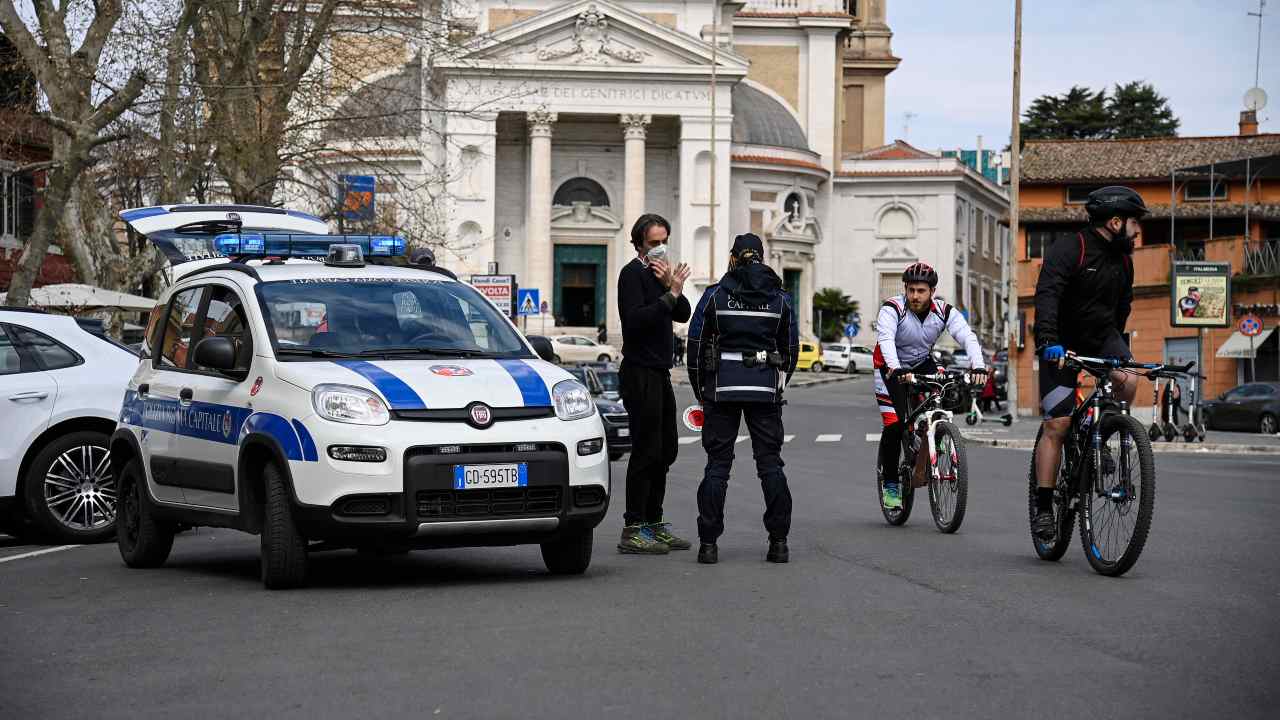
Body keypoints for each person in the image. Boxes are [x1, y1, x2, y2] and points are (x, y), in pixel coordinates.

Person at [1032, 185, 1146, 541]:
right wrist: (1049, 341)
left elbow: (1123, 307)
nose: (1138, 230)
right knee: (1059, 424)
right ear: (1115, 222)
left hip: (1101, 335)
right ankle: (1045, 506)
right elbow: (1047, 294)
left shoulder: (1124, 261)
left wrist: (1116, 349)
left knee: (1129, 378)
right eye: (1134, 222)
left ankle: (1106, 427)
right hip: (1060, 341)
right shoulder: (1070, 249)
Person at [687, 233, 798, 564]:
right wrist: (779, 384)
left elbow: (695, 346)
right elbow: (790, 350)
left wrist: (701, 391)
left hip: (721, 390)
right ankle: (778, 543)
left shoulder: (716, 295)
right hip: (764, 391)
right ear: (762, 258)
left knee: (717, 466)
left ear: (733, 258)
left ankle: (708, 545)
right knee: (770, 465)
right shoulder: (780, 298)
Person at [873, 262, 987, 510]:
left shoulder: (944, 311)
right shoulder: (892, 308)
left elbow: (967, 336)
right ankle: (891, 483)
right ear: (905, 288)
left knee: (942, 394)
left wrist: (978, 365)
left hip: (922, 362)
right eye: (911, 289)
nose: (915, 296)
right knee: (895, 425)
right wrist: (896, 368)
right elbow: (886, 340)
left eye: (921, 291)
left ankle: (931, 440)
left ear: (932, 291)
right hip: (889, 367)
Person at [616, 213, 693, 554]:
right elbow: (634, 322)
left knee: (665, 450)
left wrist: (670, 288)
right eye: (653, 243)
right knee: (646, 450)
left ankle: (653, 522)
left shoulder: (661, 277)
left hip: (660, 372)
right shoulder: (631, 275)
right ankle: (633, 527)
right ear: (638, 244)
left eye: (664, 241)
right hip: (638, 372)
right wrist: (668, 294)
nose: (660, 249)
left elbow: (684, 313)